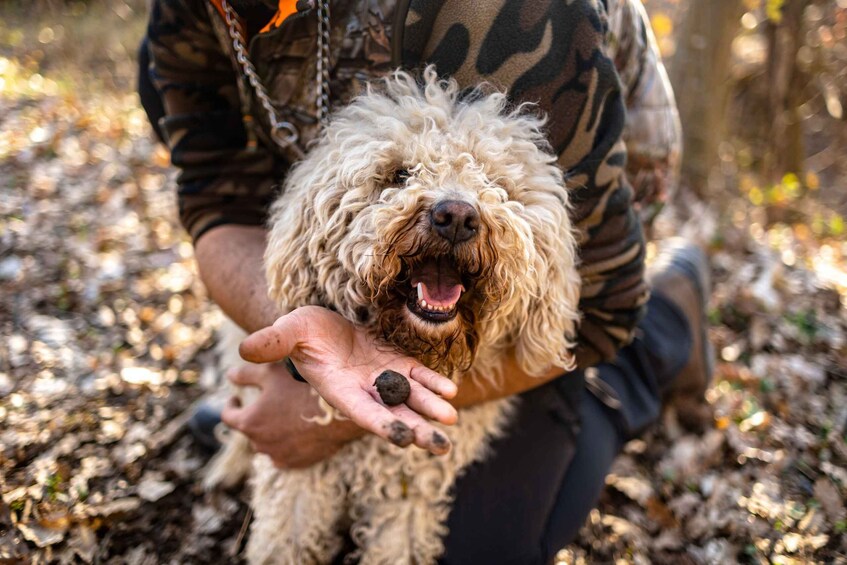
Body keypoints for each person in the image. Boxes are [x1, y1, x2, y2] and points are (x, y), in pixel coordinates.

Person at [140, 0, 712, 561]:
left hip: (587, 175)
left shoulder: (529, 12)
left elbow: (599, 307)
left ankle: (662, 328)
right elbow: (219, 198)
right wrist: (306, 346)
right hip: (341, 162)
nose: (453, 217)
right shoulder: (188, 14)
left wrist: (343, 418)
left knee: (480, 548)